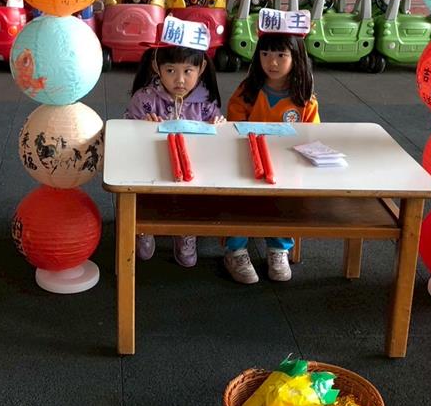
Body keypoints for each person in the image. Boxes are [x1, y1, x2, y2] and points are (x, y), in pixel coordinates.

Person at [223, 22, 319, 284]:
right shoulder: (248, 91)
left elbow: (312, 134)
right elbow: (233, 126)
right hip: (248, 160)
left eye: (280, 55)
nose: (272, 62)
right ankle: (235, 250)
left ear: (296, 57)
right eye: (265, 54)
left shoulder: (304, 98)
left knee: (284, 201)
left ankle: (279, 247)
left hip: (286, 164)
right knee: (240, 198)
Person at [124, 20, 223, 266]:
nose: (179, 79)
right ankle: (143, 228)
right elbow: (124, 135)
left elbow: (217, 139)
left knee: (193, 196)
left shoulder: (206, 101)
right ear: (156, 67)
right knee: (143, 191)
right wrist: (141, 127)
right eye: (170, 70)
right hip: (152, 166)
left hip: (192, 170)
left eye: (188, 71)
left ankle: (186, 230)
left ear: (201, 68)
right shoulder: (144, 99)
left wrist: (219, 124)